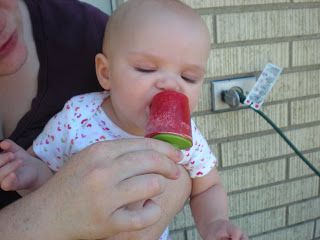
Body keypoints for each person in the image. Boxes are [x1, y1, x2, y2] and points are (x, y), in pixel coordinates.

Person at [0, 0, 248, 239]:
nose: (171, 86)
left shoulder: (187, 136)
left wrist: (215, 223)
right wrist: (30, 173)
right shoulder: (77, 117)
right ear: (106, 73)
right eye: (146, 69)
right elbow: (51, 182)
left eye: (189, 77)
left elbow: (207, 186)